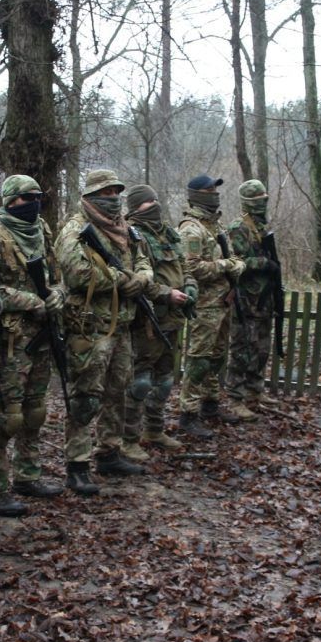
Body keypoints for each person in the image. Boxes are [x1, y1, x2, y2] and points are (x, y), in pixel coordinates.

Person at [54, 169, 154, 495]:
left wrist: (143, 278)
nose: (112, 198)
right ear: (90, 196)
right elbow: (79, 274)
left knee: (117, 390)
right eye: (105, 193)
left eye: (115, 192)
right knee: (86, 395)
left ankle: (109, 452)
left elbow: (143, 261)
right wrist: (124, 281)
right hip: (90, 328)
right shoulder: (75, 230)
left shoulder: (125, 229)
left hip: (122, 324)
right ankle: (77, 464)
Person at [0, 174, 67, 515]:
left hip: (41, 338)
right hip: (8, 343)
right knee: (7, 418)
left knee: (35, 412)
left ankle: (28, 475)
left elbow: (58, 277)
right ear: (10, 202)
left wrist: (57, 295)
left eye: (37, 197)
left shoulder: (43, 234)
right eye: (27, 198)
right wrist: (29, 301)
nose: (33, 204)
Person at [121, 183, 195, 461]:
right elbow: (135, 278)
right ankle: (128, 439)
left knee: (164, 380)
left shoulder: (169, 233)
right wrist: (166, 294)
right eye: (147, 202)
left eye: (155, 200)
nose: (153, 205)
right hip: (147, 321)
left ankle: (154, 430)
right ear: (135, 208)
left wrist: (190, 285)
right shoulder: (131, 236)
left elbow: (184, 265)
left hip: (173, 318)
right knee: (139, 382)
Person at [178, 174, 249, 438]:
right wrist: (226, 266)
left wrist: (237, 265)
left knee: (217, 357)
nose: (214, 195)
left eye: (215, 190)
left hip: (223, 301)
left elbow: (232, 256)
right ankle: (188, 413)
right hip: (204, 305)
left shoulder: (215, 226)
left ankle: (210, 405)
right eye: (209, 191)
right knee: (199, 359)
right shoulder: (191, 228)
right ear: (197, 195)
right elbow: (191, 268)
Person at [224, 179, 278, 407]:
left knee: (262, 348)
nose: (262, 202)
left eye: (263, 198)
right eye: (257, 199)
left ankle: (255, 391)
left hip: (264, 298)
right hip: (245, 298)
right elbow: (236, 262)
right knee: (242, 348)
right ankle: (235, 398)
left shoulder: (261, 226)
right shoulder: (239, 227)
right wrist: (263, 263)